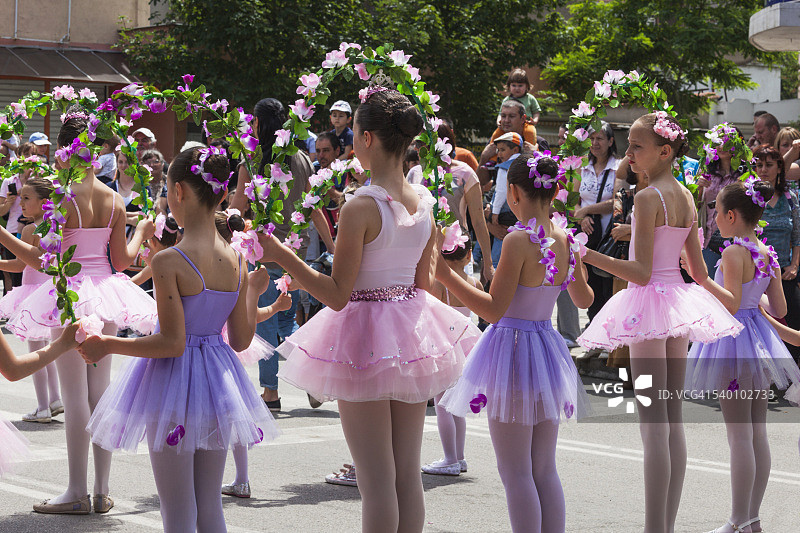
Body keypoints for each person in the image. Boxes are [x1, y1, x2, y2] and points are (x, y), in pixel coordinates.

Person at [258, 88, 481, 533]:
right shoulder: (425, 202)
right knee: (404, 475)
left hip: (364, 335)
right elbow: (422, 284)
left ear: (365, 139)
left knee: (376, 480)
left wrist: (283, 256)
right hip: (411, 332)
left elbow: (338, 294)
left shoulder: (361, 205)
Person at [79, 146, 279, 532]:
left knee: (177, 509)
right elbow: (239, 340)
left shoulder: (169, 260)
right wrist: (252, 292)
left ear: (179, 192)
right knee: (209, 505)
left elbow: (171, 342)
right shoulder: (237, 260)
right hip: (218, 386)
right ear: (221, 194)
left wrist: (108, 344)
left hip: (173, 382)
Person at [578, 111, 743, 533]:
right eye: (629, 145)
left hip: (650, 307)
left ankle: (656, 529)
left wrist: (588, 255)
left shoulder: (649, 197)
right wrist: (726, 302)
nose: (628, 153)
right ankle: (663, 527)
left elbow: (641, 273)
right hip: (677, 307)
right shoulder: (686, 195)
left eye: (636, 146)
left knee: (654, 426)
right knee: (671, 423)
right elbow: (696, 271)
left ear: (664, 151)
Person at [0, 109, 157, 515]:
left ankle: (75, 490)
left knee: (74, 398)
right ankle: (102, 491)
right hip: (105, 292)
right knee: (98, 393)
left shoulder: (61, 196)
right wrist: (141, 230)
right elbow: (122, 262)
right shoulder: (113, 198)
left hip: (69, 292)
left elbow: (41, 259)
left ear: (68, 149)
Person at [438, 153, 593, 533]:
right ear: (556, 191)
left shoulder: (518, 241)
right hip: (546, 349)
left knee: (515, 469)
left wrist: (445, 274)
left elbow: (493, 310)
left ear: (512, 193)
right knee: (543, 466)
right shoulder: (565, 239)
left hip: (512, 350)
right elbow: (585, 299)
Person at [685, 179, 800, 533]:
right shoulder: (767, 254)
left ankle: (739, 520)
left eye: (716, 212)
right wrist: (758, 301)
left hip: (734, 342)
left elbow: (731, 302)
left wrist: (701, 279)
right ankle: (751, 518)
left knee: (739, 437)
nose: (714, 218)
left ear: (732, 215)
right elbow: (778, 306)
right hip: (760, 342)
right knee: (756, 433)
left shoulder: (734, 253)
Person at [230, 98, 334, 412]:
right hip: (297, 252)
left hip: (265, 252)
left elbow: (237, 208)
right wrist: (331, 247)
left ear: (259, 124)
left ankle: (271, 393)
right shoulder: (302, 158)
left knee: (265, 323)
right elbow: (315, 208)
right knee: (287, 319)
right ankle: (312, 379)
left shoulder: (253, 160)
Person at [0, 178, 63, 423]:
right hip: (49, 292)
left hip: (32, 294)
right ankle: (55, 399)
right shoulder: (57, 226)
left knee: (35, 353)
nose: (21, 203)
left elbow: (19, 264)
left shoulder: (30, 230)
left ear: (44, 202)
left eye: (27, 199)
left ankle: (42, 408)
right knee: (46, 350)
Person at [422, 233, 483, 477]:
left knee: (442, 405)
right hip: (467, 345)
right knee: (456, 405)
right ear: (469, 254)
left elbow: (429, 312)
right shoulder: (474, 283)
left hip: (445, 345)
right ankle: (459, 456)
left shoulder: (440, 284)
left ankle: (449, 458)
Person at [407, 121, 495, 281]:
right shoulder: (414, 174)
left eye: (420, 143)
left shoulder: (464, 173)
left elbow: (478, 221)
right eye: (415, 143)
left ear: (438, 143)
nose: (415, 149)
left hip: (455, 254)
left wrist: (488, 263)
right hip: (421, 253)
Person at [753, 144, 800, 365]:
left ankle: (789, 377)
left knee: (791, 320)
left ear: (779, 168)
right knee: (759, 324)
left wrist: (794, 265)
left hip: (784, 272)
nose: (763, 169)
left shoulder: (790, 197)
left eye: (769, 165)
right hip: (755, 273)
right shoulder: (749, 196)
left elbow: (798, 236)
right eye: (759, 164)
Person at [574, 121, 618, 326]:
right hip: (587, 234)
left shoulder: (618, 168)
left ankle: (607, 329)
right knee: (590, 279)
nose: (595, 143)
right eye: (591, 139)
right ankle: (592, 326)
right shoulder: (582, 168)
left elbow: (617, 202)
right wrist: (581, 217)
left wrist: (588, 210)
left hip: (609, 235)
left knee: (607, 284)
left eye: (600, 138)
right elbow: (573, 201)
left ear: (610, 141)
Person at [695, 126, 746, 277]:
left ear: (737, 144)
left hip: (733, 241)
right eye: (718, 141)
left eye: (727, 141)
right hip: (706, 240)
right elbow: (697, 205)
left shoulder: (745, 174)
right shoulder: (706, 171)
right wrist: (698, 188)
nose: (721, 146)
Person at [477, 100, 537, 188]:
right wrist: (484, 158)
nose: (506, 120)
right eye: (503, 116)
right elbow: (481, 182)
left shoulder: (536, 142)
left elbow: (546, 178)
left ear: (523, 118)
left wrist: (536, 156)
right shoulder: (495, 142)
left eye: (512, 116)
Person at [140, 148, 168, 215]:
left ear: (162, 164)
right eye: (148, 162)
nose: (152, 165)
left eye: (156, 161)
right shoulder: (139, 184)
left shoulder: (168, 182)